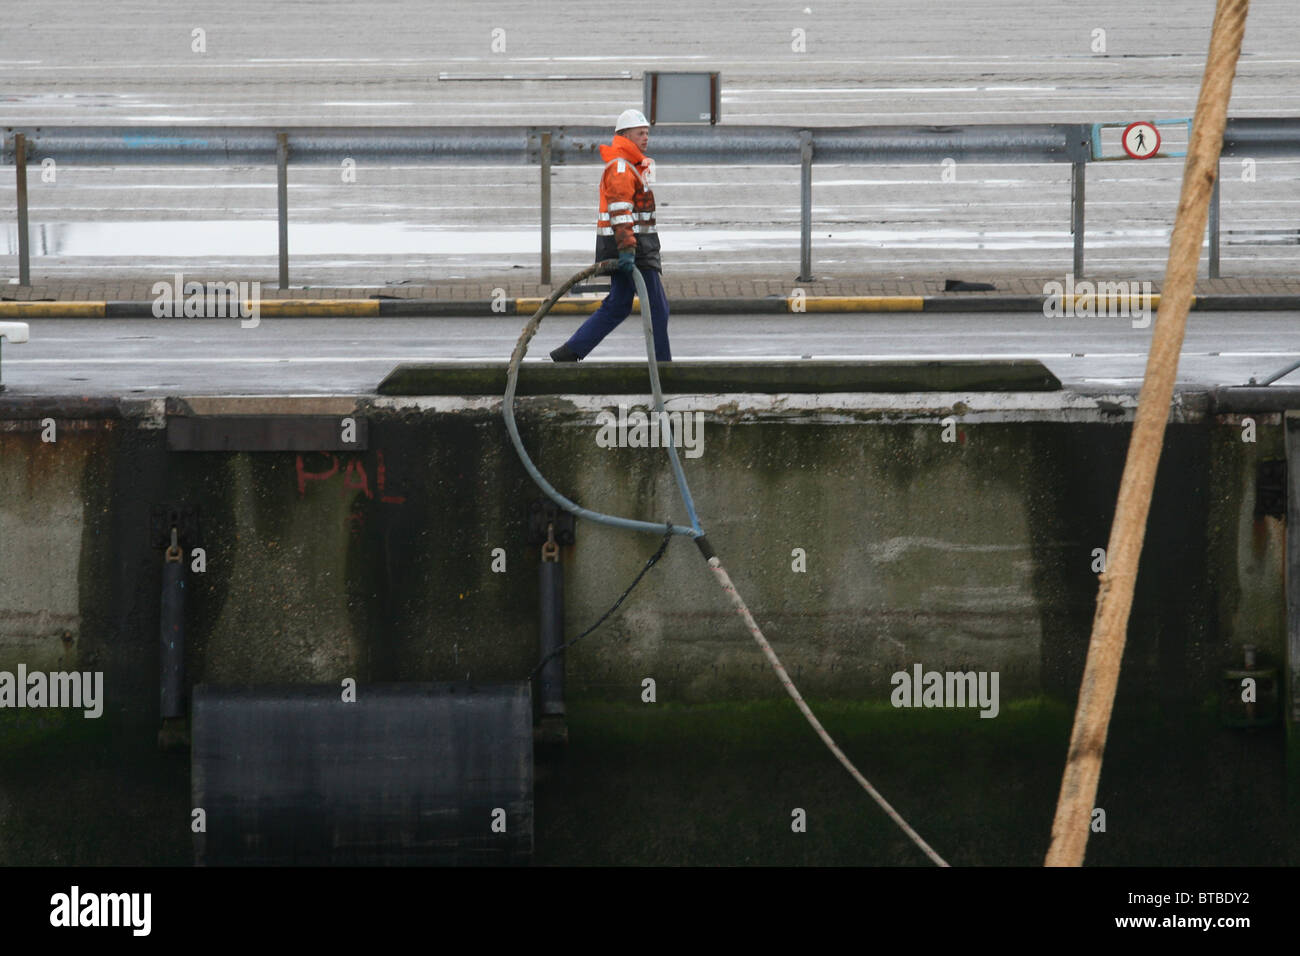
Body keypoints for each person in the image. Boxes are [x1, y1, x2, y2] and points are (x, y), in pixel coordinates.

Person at [550, 109, 671, 362]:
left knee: (618, 305)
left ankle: (571, 352)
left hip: (633, 249)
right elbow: (620, 210)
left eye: (647, 132)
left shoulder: (631, 166)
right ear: (625, 135)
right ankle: (662, 368)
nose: (645, 137)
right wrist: (628, 250)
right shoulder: (620, 168)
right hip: (632, 251)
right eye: (640, 133)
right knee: (657, 309)